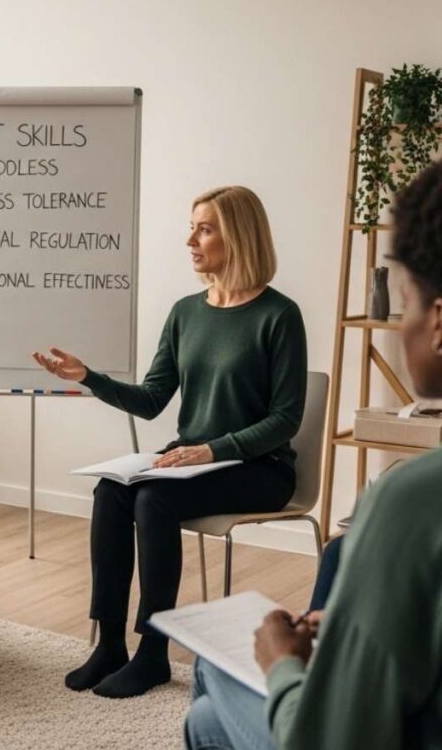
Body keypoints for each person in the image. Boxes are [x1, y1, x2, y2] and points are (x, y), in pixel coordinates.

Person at [185, 160, 442, 749]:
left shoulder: (414, 499)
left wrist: (282, 665)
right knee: (206, 720)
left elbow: (330, 740)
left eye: (403, 300)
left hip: (258, 469)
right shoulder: (188, 312)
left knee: (210, 672)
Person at [34, 186, 307, 698]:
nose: (190, 240)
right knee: (112, 492)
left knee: (154, 498)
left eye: (204, 229)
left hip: (260, 468)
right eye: (192, 226)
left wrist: (212, 449)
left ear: (239, 236)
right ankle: (110, 643)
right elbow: (154, 398)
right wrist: (89, 377)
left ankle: (153, 652)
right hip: (192, 462)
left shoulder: (279, 315)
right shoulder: (187, 312)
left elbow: (285, 419)